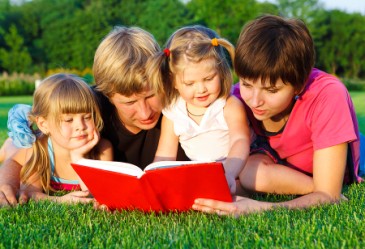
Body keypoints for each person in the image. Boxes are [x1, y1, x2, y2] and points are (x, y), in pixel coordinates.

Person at [192, 14, 362, 216]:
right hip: (277, 167)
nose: (254, 101)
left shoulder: (327, 95)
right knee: (248, 173)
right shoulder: (236, 99)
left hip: (336, 158)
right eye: (247, 84)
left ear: (298, 85)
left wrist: (259, 208)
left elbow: (328, 195)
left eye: (271, 90)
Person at [147, 25, 251, 194]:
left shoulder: (228, 105)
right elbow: (165, 155)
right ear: (173, 82)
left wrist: (229, 173)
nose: (201, 89)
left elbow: (240, 141)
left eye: (209, 78)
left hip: (237, 168)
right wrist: (153, 178)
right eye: (189, 83)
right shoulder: (173, 112)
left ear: (221, 71)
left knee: (252, 176)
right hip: (202, 174)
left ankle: (307, 189)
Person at [0, 73, 113, 205]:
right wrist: (60, 200)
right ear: (43, 124)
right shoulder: (40, 148)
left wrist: (78, 158)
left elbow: (97, 196)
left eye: (87, 117)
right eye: (69, 120)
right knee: (10, 149)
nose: (80, 126)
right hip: (18, 148)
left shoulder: (103, 149)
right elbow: (29, 192)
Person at [92, 26, 188, 168]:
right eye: (130, 102)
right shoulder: (88, 112)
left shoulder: (185, 103)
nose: (145, 113)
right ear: (107, 96)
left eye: (151, 95)